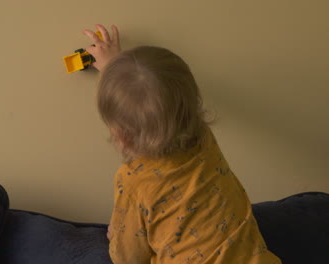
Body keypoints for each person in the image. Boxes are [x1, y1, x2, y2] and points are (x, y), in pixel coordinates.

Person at [83, 24, 282, 264]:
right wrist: (114, 67)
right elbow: (164, 101)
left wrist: (115, 235)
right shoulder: (202, 137)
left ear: (121, 137)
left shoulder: (134, 180)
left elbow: (128, 258)